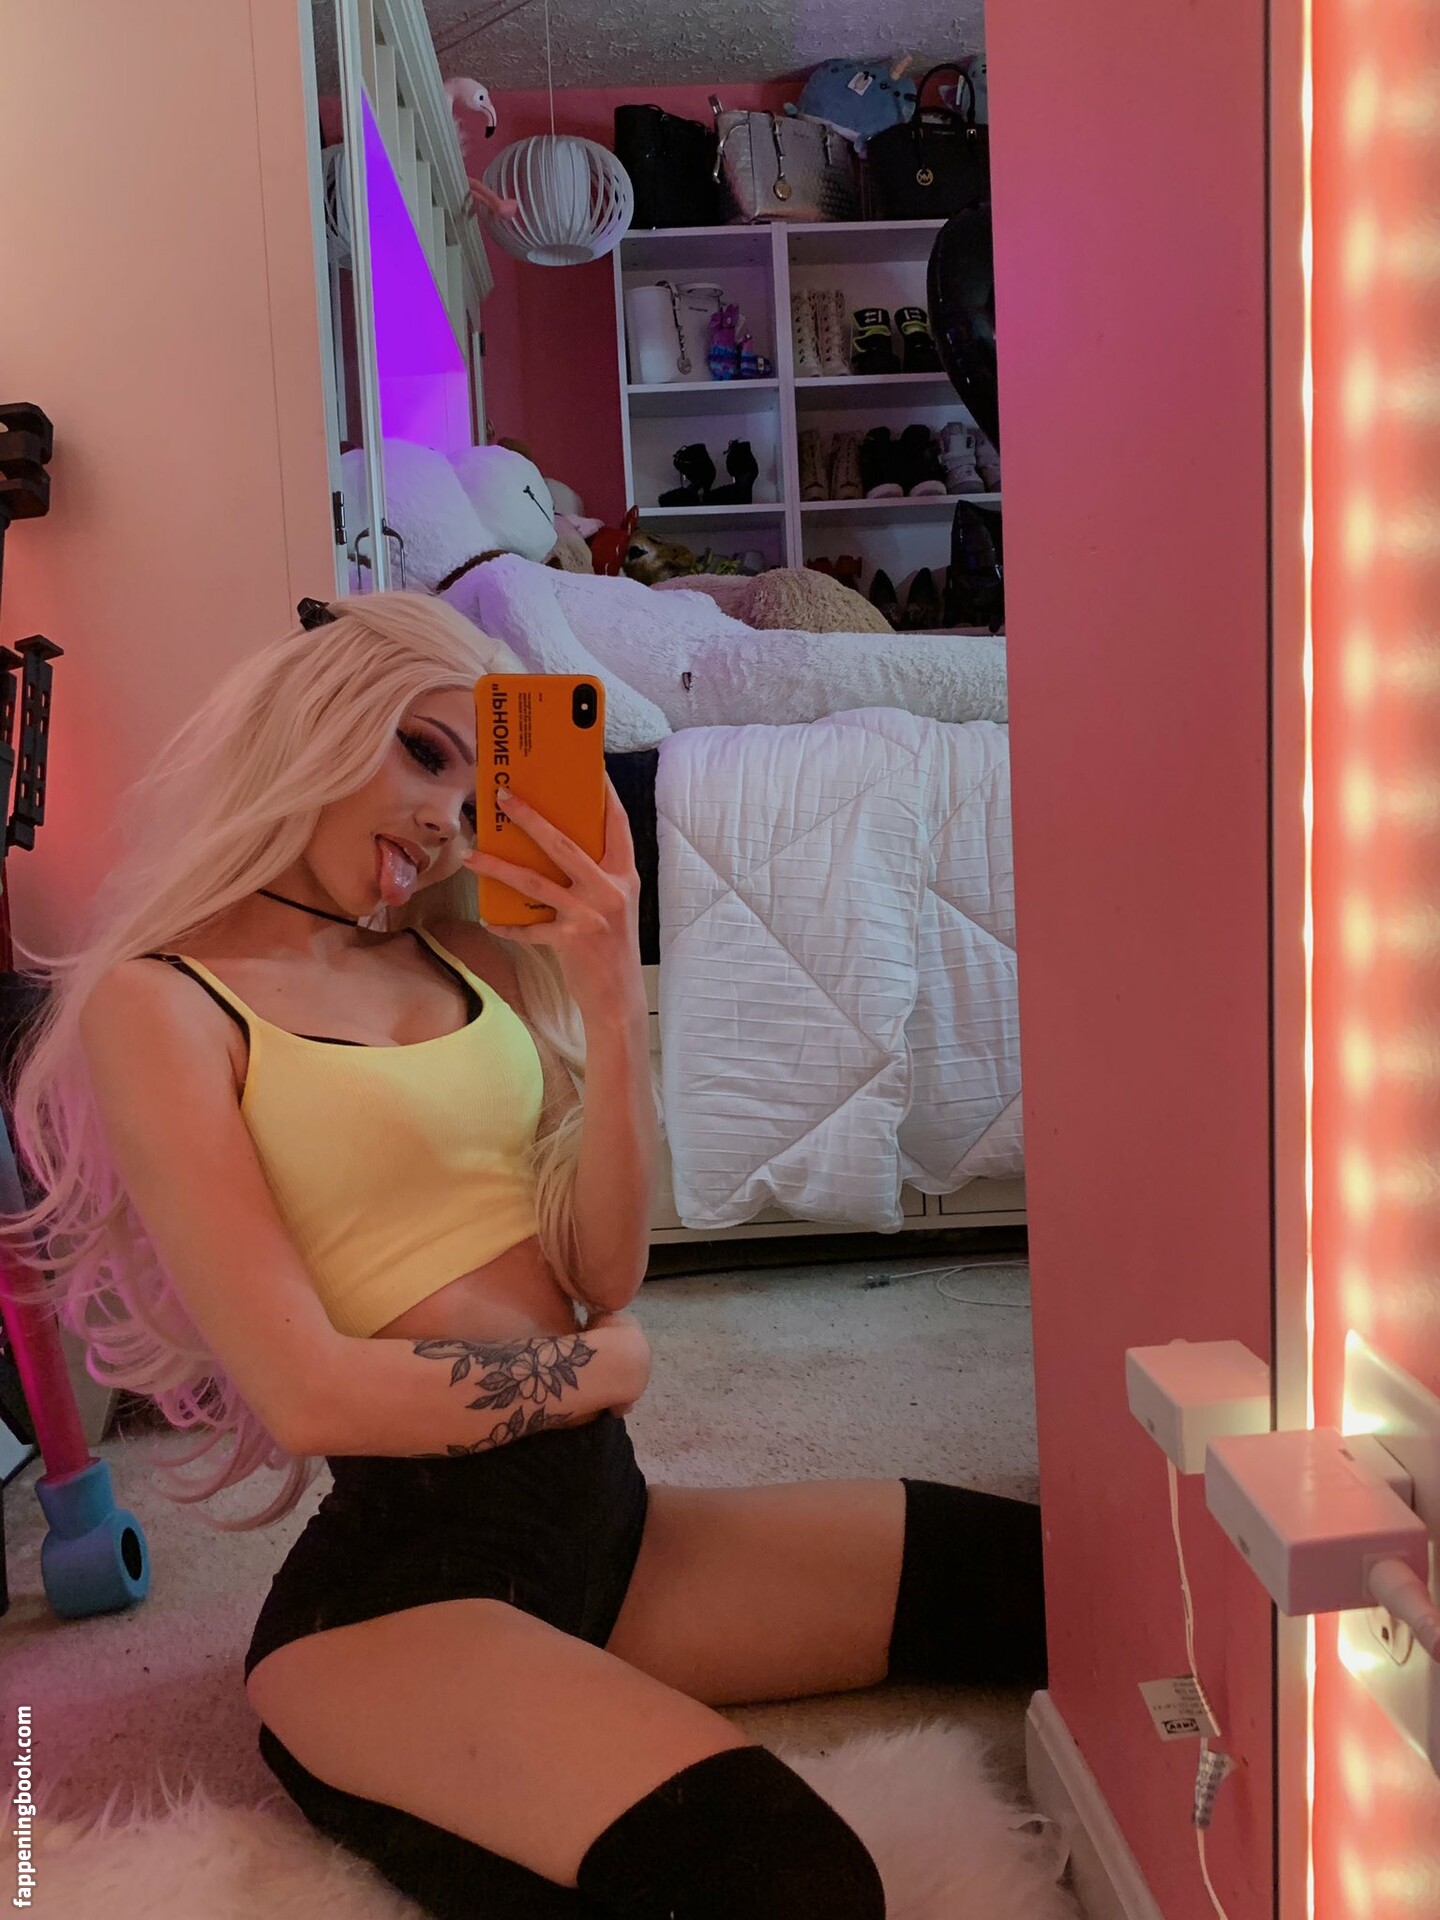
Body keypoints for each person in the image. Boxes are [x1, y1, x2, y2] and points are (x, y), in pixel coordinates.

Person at [2, 592, 1046, 1919]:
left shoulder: (456, 949)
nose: (446, 818)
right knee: (793, 1880)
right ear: (320, 720)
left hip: (612, 1534)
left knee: (1048, 1578)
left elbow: (603, 1273)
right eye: (422, 754)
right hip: (400, 1595)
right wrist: (596, 1373)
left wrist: (609, 991)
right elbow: (309, 1391)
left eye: (475, 788)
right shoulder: (164, 1000)